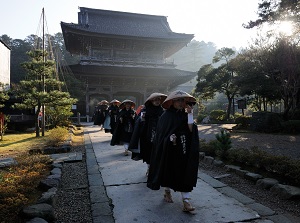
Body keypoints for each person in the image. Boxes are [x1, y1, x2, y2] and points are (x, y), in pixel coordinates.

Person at [147, 90, 199, 212]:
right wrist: (168, 138)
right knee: (168, 171)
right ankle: (167, 191)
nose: (181, 103)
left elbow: (191, 130)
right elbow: (160, 136)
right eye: (178, 100)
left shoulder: (186, 115)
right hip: (169, 150)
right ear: (172, 102)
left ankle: (186, 201)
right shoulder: (166, 116)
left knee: (185, 172)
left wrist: (190, 114)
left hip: (184, 148)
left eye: (183, 100)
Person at [129, 93, 167, 176]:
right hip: (147, 135)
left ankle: (156, 170)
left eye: (158, 99)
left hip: (159, 135)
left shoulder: (163, 111)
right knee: (148, 153)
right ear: (151, 101)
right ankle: (149, 168)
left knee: (158, 153)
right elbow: (139, 121)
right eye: (155, 99)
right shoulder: (145, 110)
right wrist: (142, 119)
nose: (157, 101)